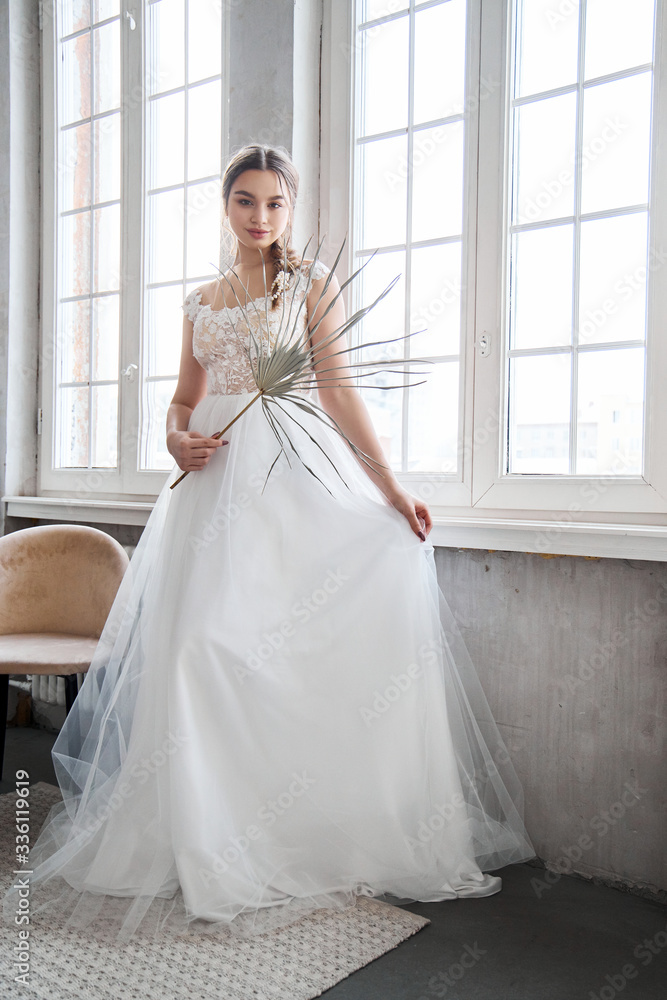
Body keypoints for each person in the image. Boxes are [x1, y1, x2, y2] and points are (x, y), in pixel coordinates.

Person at [2, 144, 534, 944]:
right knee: (193, 655)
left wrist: (390, 490)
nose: (259, 216)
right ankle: (202, 834)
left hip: (292, 487)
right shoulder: (200, 302)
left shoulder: (305, 286)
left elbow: (338, 389)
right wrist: (177, 441)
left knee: (275, 656)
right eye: (245, 201)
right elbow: (181, 402)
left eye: (274, 203)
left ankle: (299, 827)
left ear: (290, 210)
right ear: (225, 207)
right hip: (210, 494)